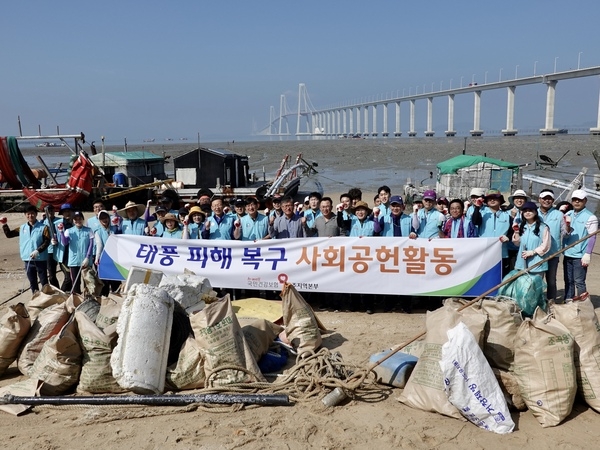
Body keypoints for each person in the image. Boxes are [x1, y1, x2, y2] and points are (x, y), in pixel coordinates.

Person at [1, 206, 51, 293]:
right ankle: (36, 298)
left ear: (36, 214)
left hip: (40, 259)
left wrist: (37, 251)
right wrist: (4, 224)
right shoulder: (22, 228)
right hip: (28, 259)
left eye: (32, 213)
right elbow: (9, 234)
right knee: (32, 282)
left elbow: (47, 242)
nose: (30, 216)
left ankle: (46, 298)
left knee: (44, 281)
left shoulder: (44, 227)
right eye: (28, 214)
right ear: (25, 215)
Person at [563, 189, 598, 300]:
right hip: (567, 253)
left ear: (585, 201)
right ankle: (569, 301)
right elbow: (564, 233)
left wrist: (587, 254)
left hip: (580, 256)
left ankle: (583, 305)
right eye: (574, 200)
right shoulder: (568, 214)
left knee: (579, 281)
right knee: (568, 281)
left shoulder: (591, 217)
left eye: (580, 200)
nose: (577, 202)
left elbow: (592, 236)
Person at [471, 189, 512, 277]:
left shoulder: (507, 216)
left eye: (495, 198)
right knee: (484, 277)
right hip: (484, 253)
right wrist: (477, 207)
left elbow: (512, 232)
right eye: (489, 199)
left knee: (501, 277)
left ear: (500, 200)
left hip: (502, 253)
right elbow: (475, 221)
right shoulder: (481, 213)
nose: (492, 200)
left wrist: (508, 237)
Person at [537, 189, 566, 301]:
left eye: (549, 199)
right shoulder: (533, 212)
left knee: (551, 280)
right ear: (539, 199)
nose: (546, 201)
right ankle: (536, 301)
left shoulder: (559, 214)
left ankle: (551, 302)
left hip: (553, 253)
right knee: (536, 279)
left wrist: (568, 228)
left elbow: (565, 233)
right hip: (536, 252)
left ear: (553, 200)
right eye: (544, 198)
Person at [512, 201, 550, 276]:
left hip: (537, 263)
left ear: (535, 212)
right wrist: (516, 232)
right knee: (523, 287)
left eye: (530, 211)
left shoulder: (543, 227)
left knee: (535, 287)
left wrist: (533, 252)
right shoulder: (521, 226)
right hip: (522, 263)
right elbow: (517, 243)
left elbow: (546, 245)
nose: (527, 213)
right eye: (525, 211)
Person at [59, 211, 94, 294]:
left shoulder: (88, 230)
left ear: (83, 219)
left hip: (86, 261)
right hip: (74, 261)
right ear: (73, 220)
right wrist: (61, 232)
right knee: (75, 283)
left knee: (88, 283)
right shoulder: (69, 231)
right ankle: (77, 300)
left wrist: (87, 257)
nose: (78, 221)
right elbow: (65, 242)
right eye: (76, 219)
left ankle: (88, 300)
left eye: (80, 219)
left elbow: (91, 245)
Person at [94, 210, 120, 296]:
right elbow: (99, 245)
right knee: (104, 283)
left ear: (109, 218)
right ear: (99, 220)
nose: (104, 220)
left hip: (114, 260)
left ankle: (116, 302)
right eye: (102, 218)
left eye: (105, 217)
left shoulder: (115, 228)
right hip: (104, 259)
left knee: (115, 283)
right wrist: (97, 257)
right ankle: (105, 303)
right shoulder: (98, 231)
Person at [53, 203, 75, 292]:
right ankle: (61, 294)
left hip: (73, 254)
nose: (67, 213)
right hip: (62, 254)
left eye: (69, 211)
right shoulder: (56, 224)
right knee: (68, 277)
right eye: (65, 212)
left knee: (73, 277)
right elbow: (52, 236)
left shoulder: (75, 223)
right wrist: (53, 241)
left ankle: (69, 294)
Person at [507, 189, 529, 271]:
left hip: (525, 247)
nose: (519, 200)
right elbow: (507, 230)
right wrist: (512, 217)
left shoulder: (529, 213)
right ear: (513, 200)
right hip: (511, 247)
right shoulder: (507, 212)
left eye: (522, 198)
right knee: (512, 270)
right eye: (517, 198)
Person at [42, 204, 60, 288]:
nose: (50, 212)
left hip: (60, 250)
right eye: (48, 211)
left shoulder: (60, 221)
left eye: (52, 210)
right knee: (51, 274)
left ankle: (66, 290)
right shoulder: (42, 223)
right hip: (49, 251)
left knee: (67, 273)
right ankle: (56, 290)